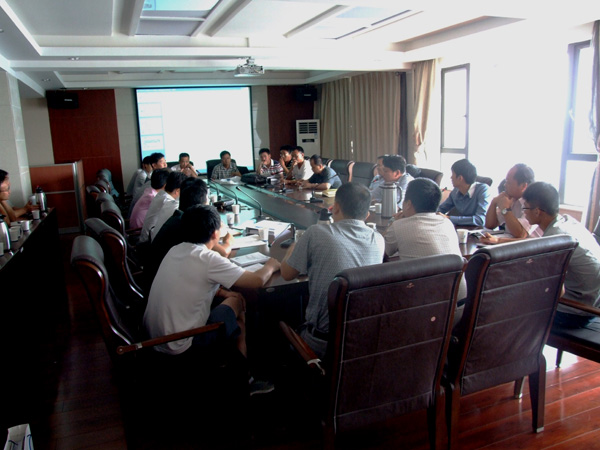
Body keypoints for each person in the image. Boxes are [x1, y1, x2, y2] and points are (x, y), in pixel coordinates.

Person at [143, 204, 280, 361]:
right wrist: (271, 266)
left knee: (234, 311)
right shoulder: (208, 259)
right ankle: (242, 368)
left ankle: (238, 353)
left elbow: (190, 285)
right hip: (181, 346)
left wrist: (223, 292)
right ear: (215, 234)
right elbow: (256, 281)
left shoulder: (175, 249)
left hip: (155, 340)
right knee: (237, 301)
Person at [280, 183, 385, 358]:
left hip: (320, 345)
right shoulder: (378, 239)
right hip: (360, 343)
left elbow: (286, 274)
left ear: (335, 208)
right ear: (367, 215)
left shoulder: (316, 233)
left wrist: (293, 248)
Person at [520, 182, 600, 328]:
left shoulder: (554, 239)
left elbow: (554, 289)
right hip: (594, 302)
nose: (524, 212)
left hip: (577, 312)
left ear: (537, 211)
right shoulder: (568, 222)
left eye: (525, 208)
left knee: (514, 308)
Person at [145, 178, 233, 292]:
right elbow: (223, 252)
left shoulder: (178, 217)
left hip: (157, 283)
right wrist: (229, 240)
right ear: (202, 205)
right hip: (165, 288)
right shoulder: (189, 225)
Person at [384, 178, 466, 301]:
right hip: (457, 304)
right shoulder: (447, 223)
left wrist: (393, 223)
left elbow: (382, 251)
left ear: (408, 203)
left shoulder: (398, 226)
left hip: (425, 307)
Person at [484, 163, 542, 238]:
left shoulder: (533, 203)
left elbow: (520, 234)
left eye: (508, 182)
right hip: (508, 242)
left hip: (528, 245)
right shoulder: (511, 198)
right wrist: (494, 202)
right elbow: (490, 225)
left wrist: (506, 209)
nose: (505, 185)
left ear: (523, 186)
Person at [437, 159, 490, 227]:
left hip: (478, 230)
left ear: (460, 178)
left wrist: (449, 218)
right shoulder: (455, 191)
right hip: (461, 229)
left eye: (452, 174)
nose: (451, 177)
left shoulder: (483, 190)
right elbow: (441, 209)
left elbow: (480, 220)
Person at [139, 171, 187, 243]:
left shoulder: (161, 194)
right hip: (148, 242)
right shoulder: (167, 201)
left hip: (149, 237)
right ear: (178, 191)